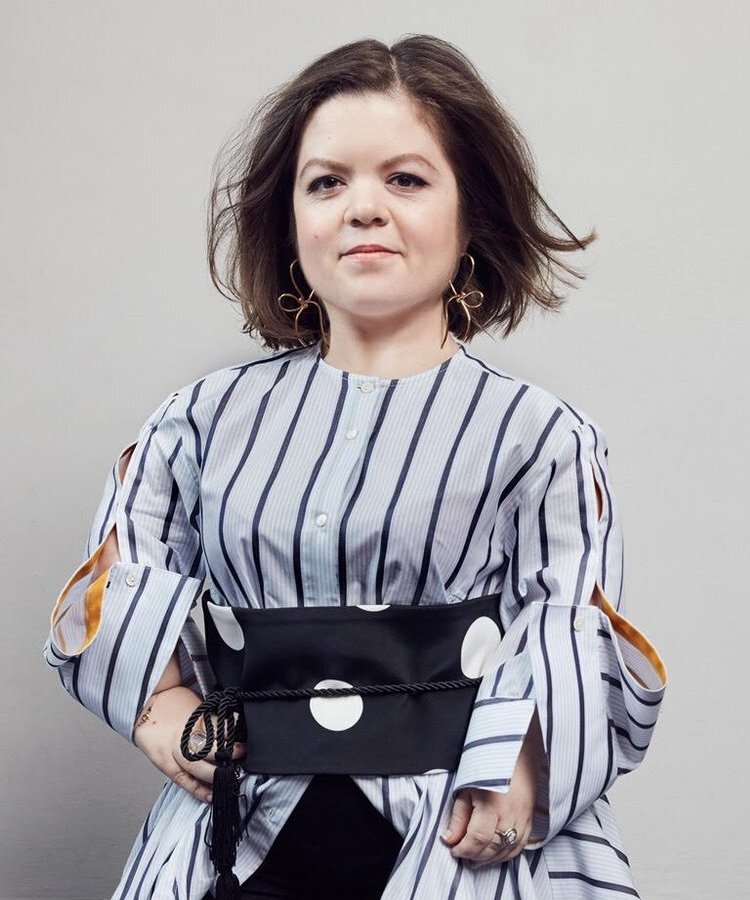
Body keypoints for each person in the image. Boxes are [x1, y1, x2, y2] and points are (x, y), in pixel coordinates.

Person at [45, 35, 667, 900]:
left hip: (455, 842)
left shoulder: (538, 436)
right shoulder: (198, 422)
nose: (363, 208)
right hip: (233, 843)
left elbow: (569, 620)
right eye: (326, 182)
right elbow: (120, 576)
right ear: (289, 222)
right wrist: (158, 708)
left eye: (405, 180)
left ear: (471, 215)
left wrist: (525, 768)